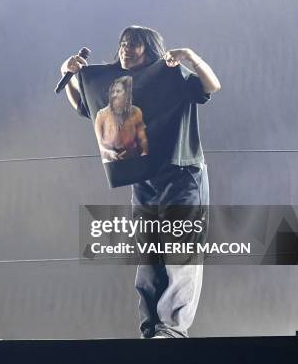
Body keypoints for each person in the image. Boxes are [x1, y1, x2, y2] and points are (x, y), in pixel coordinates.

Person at [60, 25, 221, 338]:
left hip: (182, 172)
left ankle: (172, 328)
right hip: (144, 178)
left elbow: (211, 86)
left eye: (134, 45)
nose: (125, 50)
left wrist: (189, 56)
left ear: (150, 48)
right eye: (122, 44)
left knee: (181, 249)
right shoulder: (118, 87)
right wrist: (69, 76)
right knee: (148, 253)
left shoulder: (171, 76)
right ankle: (151, 327)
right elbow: (85, 107)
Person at [94, 76, 148, 162]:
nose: (114, 95)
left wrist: (145, 152)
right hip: (110, 161)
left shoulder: (136, 111)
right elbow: (98, 145)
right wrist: (110, 154)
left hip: (133, 159)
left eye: (118, 91)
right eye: (113, 92)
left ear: (126, 94)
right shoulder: (101, 115)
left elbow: (142, 138)